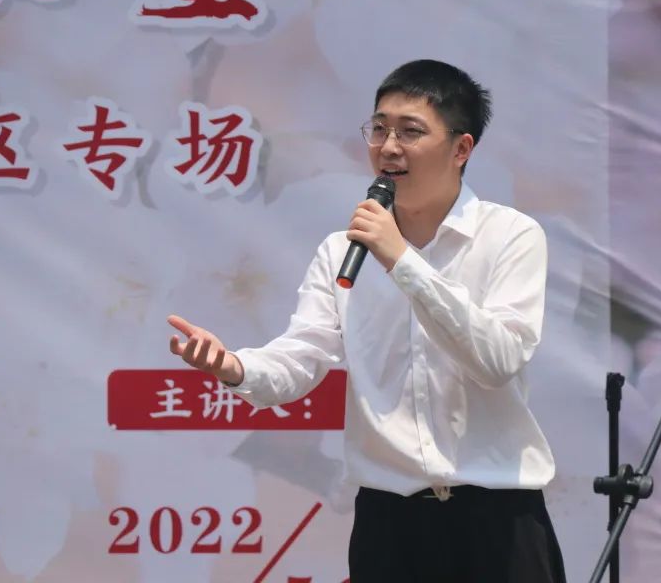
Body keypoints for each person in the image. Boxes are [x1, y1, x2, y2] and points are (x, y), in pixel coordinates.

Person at [167, 59, 567, 582]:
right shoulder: (342, 251)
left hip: (498, 520)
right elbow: (302, 357)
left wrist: (401, 260)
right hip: (390, 523)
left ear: (461, 148)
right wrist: (235, 367)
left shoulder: (511, 236)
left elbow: (498, 360)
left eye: (410, 131)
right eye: (379, 129)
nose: (388, 146)